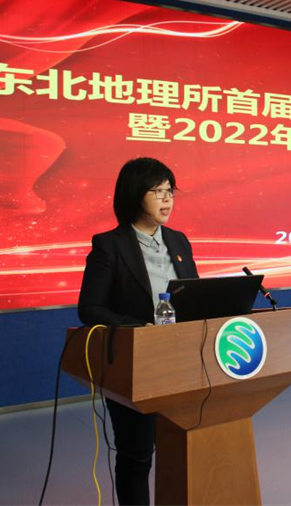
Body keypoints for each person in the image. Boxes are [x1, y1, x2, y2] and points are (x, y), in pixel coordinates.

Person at [78, 157, 198, 505]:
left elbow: (194, 295)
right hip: (136, 363)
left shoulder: (179, 241)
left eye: (169, 191)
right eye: (157, 191)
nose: (167, 199)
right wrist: (138, 328)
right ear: (134, 194)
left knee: (180, 443)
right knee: (137, 453)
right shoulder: (109, 245)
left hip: (183, 360)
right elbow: (90, 308)